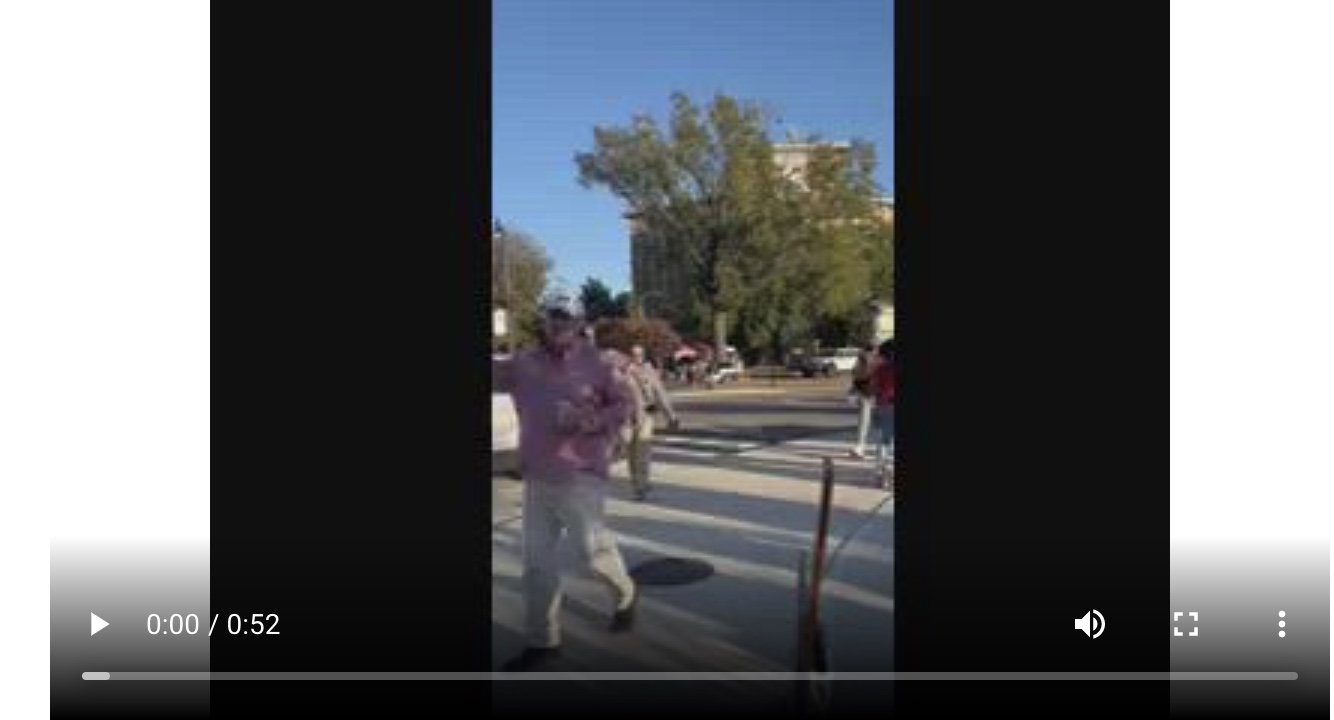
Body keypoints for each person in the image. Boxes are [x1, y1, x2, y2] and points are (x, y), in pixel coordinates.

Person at [492, 299, 639, 672]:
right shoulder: (524, 363)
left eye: (566, 317)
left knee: (592, 554)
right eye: (552, 317)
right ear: (543, 322)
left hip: (581, 475)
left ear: (579, 322)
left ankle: (625, 593)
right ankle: (543, 641)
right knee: (537, 565)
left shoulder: (600, 363)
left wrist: (592, 420)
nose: (558, 324)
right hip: (537, 477)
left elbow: (625, 405)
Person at [624, 344, 681, 501]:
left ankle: (641, 486)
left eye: (640, 354)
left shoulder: (649, 372)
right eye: (633, 354)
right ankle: (638, 482)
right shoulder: (620, 372)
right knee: (631, 454)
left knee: (642, 451)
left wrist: (671, 416)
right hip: (624, 420)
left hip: (645, 417)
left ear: (644, 356)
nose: (637, 358)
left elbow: (660, 394)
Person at [869, 339, 895, 488]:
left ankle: (880, 474)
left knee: (883, 441)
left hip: (883, 406)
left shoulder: (880, 368)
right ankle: (888, 473)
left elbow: (873, 388)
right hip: (888, 405)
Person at [847, 343, 877, 459]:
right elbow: (857, 375)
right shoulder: (870, 359)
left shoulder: (863, 358)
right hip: (869, 393)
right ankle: (861, 447)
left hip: (866, 393)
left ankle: (860, 447)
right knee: (868, 421)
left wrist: (852, 391)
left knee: (865, 421)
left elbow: (856, 375)